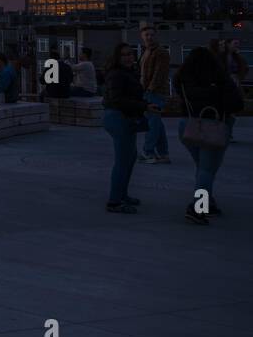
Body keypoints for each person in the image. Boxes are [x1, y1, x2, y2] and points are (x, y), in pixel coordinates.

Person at [175, 45, 243, 225]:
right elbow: (237, 104)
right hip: (213, 129)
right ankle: (198, 208)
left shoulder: (181, 79)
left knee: (203, 168)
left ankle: (207, 203)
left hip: (188, 126)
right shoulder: (221, 80)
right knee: (207, 170)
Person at [102, 43, 155, 213]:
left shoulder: (128, 72)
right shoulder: (116, 74)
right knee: (123, 161)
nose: (128, 57)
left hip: (126, 117)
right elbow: (117, 100)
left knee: (130, 158)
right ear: (117, 57)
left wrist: (143, 105)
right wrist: (144, 107)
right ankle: (114, 201)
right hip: (118, 117)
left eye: (130, 54)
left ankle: (122, 194)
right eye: (124, 55)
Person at [138, 25, 171, 163]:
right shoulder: (147, 51)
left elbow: (159, 73)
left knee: (152, 123)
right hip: (149, 91)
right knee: (157, 124)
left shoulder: (160, 52)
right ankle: (163, 154)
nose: (149, 37)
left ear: (156, 36)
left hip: (155, 92)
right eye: (147, 35)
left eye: (152, 35)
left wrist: (149, 90)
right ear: (142, 37)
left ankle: (148, 152)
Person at [225, 39, 247, 142]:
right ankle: (226, 133)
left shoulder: (237, 57)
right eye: (235, 43)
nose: (237, 45)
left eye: (238, 43)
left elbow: (244, 68)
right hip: (225, 86)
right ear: (228, 44)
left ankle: (228, 133)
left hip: (235, 85)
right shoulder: (222, 56)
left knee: (233, 111)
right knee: (226, 111)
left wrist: (238, 77)